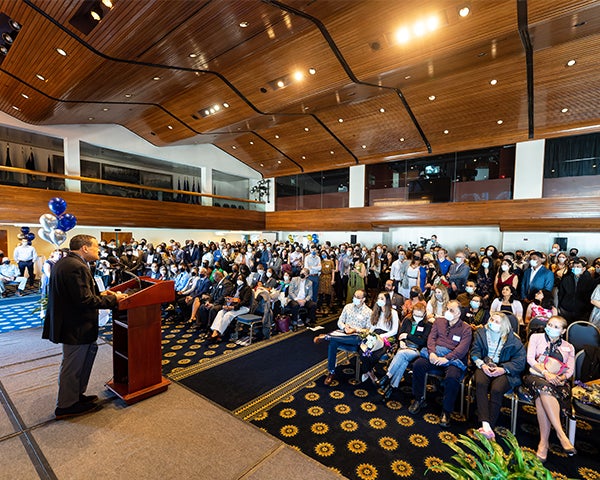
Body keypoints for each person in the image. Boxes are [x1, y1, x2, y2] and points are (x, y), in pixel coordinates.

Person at [42, 234, 128, 419]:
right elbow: (84, 300)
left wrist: (103, 294)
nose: (99, 251)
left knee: (80, 363)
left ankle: (76, 397)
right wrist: (114, 298)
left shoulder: (68, 263)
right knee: (73, 366)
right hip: (76, 326)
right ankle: (66, 405)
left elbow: (79, 294)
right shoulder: (75, 266)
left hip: (75, 325)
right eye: (96, 247)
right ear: (85, 248)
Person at [520, 316, 576, 462]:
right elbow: (530, 359)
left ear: (563, 331)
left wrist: (560, 379)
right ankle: (561, 434)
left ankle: (543, 443)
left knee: (542, 396)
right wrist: (546, 373)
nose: (551, 328)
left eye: (556, 327)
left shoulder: (569, 347)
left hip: (558, 381)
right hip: (536, 375)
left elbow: (569, 371)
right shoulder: (536, 337)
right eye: (550, 324)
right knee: (543, 386)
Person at [408, 300, 472, 427]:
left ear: (459, 313)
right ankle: (419, 398)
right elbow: (431, 338)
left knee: (452, 377)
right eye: (447, 309)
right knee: (418, 365)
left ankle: (446, 411)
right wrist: (431, 353)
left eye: (451, 310)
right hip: (435, 354)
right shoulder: (439, 322)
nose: (447, 312)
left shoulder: (466, 328)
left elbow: (462, 349)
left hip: (453, 359)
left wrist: (447, 358)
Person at [470, 312, 526, 439]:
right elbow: (475, 352)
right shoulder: (481, 333)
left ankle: (490, 424)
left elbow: (520, 361)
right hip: (485, 365)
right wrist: (482, 365)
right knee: (480, 383)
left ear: (504, 325)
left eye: (497, 321)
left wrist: (504, 369)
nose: (492, 323)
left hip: (504, 370)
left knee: (496, 389)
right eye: (491, 319)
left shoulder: (513, 339)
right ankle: (486, 426)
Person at [313, 289, 372, 385]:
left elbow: (368, 330)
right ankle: (331, 372)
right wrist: (345, 327)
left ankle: (327, 337)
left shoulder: (369, 312)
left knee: (355, 338)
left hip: (356, 338)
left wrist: (355, 330)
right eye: (354, 296)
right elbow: (339, 322)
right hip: (343, 334)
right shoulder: (348, 307)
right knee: (333, 344)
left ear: (363, 299)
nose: (355, 298)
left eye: (358, 297)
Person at [378, 303, 431, 401]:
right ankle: (391, 387)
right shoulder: (407, 320)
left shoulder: (428, 325)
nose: (417, 318)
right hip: (403, 347)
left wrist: (408, 336)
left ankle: (387, 376)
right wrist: (401, 341)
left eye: (420, 316)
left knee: (402, 354)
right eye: (415, 315)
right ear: (412, 313)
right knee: (403, 362)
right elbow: (400, 334)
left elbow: (423, 341)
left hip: (416, 350)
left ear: (424, 314)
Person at [359, 292, 399, 384]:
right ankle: (370, 372)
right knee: (363, 351)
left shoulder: (393, 313)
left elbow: (394, 330)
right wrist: (368, 335)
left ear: (387, 301)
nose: (379, 301)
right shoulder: (376, 311)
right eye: (378, 298)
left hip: (387, 336)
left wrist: (382, 336)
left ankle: (367, 371)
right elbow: (373, 326)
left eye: (382, 299)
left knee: (376, 353)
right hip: (375, 334)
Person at [208, 274, 253, 342]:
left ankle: (218, 333)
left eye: (240, 279)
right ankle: (215, 332)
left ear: (244, 280)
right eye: (238, 279)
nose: (239, 280)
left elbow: (245, 301)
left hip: (243, 307)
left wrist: (233, 307)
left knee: (228, 315)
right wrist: (228, 303)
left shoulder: (247, 288)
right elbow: (231, 298)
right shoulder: (236, 288)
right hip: (232, 306)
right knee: (221, 312)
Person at [557, 257, 595, 323]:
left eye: (578, 267)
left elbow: (590, 296)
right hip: (566, 308)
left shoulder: (589, 281)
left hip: (582, 310)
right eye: (574, 267)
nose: (575, 268)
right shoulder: (566, 279)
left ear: (583, 269)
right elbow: (561, 293)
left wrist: (587, 308)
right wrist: (561, 305)